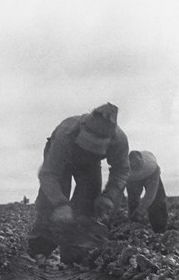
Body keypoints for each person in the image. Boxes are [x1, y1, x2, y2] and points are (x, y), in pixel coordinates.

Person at [27, 103, 129, 259]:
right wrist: (60, 203)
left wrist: (109, 195)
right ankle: (38, 252)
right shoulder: (65, 134)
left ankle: (74, 256)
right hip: (63, 161)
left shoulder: (119, 141)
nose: (87, 150)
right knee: (49, 206)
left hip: (91, 165)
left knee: (88, 206)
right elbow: (48, 174)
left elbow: (121, 169)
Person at [126, 150, 168, 232]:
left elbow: (151, 194)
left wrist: (140, 211)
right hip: (132, 178)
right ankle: (135, 230)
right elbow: (130, 196)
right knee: (133, 202)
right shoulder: (127, 171)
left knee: (158, 201)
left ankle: (160, 230)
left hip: (151, 174)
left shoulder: (153, 169)